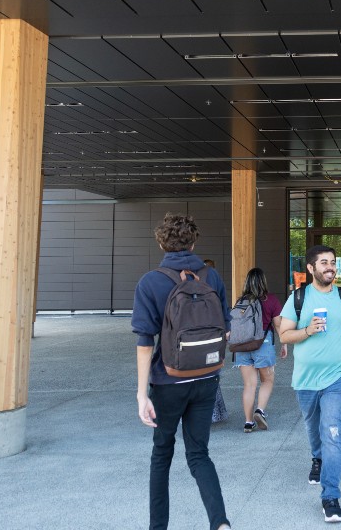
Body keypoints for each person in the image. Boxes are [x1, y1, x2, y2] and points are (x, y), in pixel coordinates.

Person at [131, 213, 231, 530]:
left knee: (162, 455)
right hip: (207, 380)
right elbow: (225, 329)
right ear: (194, 241)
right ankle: (221, 524)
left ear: (161, 242)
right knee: (199, 454)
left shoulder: (150, 282)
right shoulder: (211, 277)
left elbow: (145, 342)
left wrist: (140, 393)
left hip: (168, 382)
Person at [278, 245, 341, 524]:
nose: (330, 267)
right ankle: (317, 459)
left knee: (333, 433)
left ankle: (330, 497)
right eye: (324, 262)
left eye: (333, 262)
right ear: (311, 269)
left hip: (337, 378)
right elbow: (284, 335)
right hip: (305, 379)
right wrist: (307, 330)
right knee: (313, 428)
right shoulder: (298, 298)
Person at [234, 267, 288, 433]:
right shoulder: (271, 299)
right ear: (263, 281)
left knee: (249, 385)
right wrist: (284, 343)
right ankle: (260, 410)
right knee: (267, 381)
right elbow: (278, 324)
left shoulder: (240, 301)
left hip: (242, 347)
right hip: (262, 344)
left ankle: (248, 422)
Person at [203, 259, 229, 424]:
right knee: (211, 375)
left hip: (199, 339)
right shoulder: (216, 285)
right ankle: (215, 413)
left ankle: (206, 414)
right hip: (213, 337)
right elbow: (224, 311)